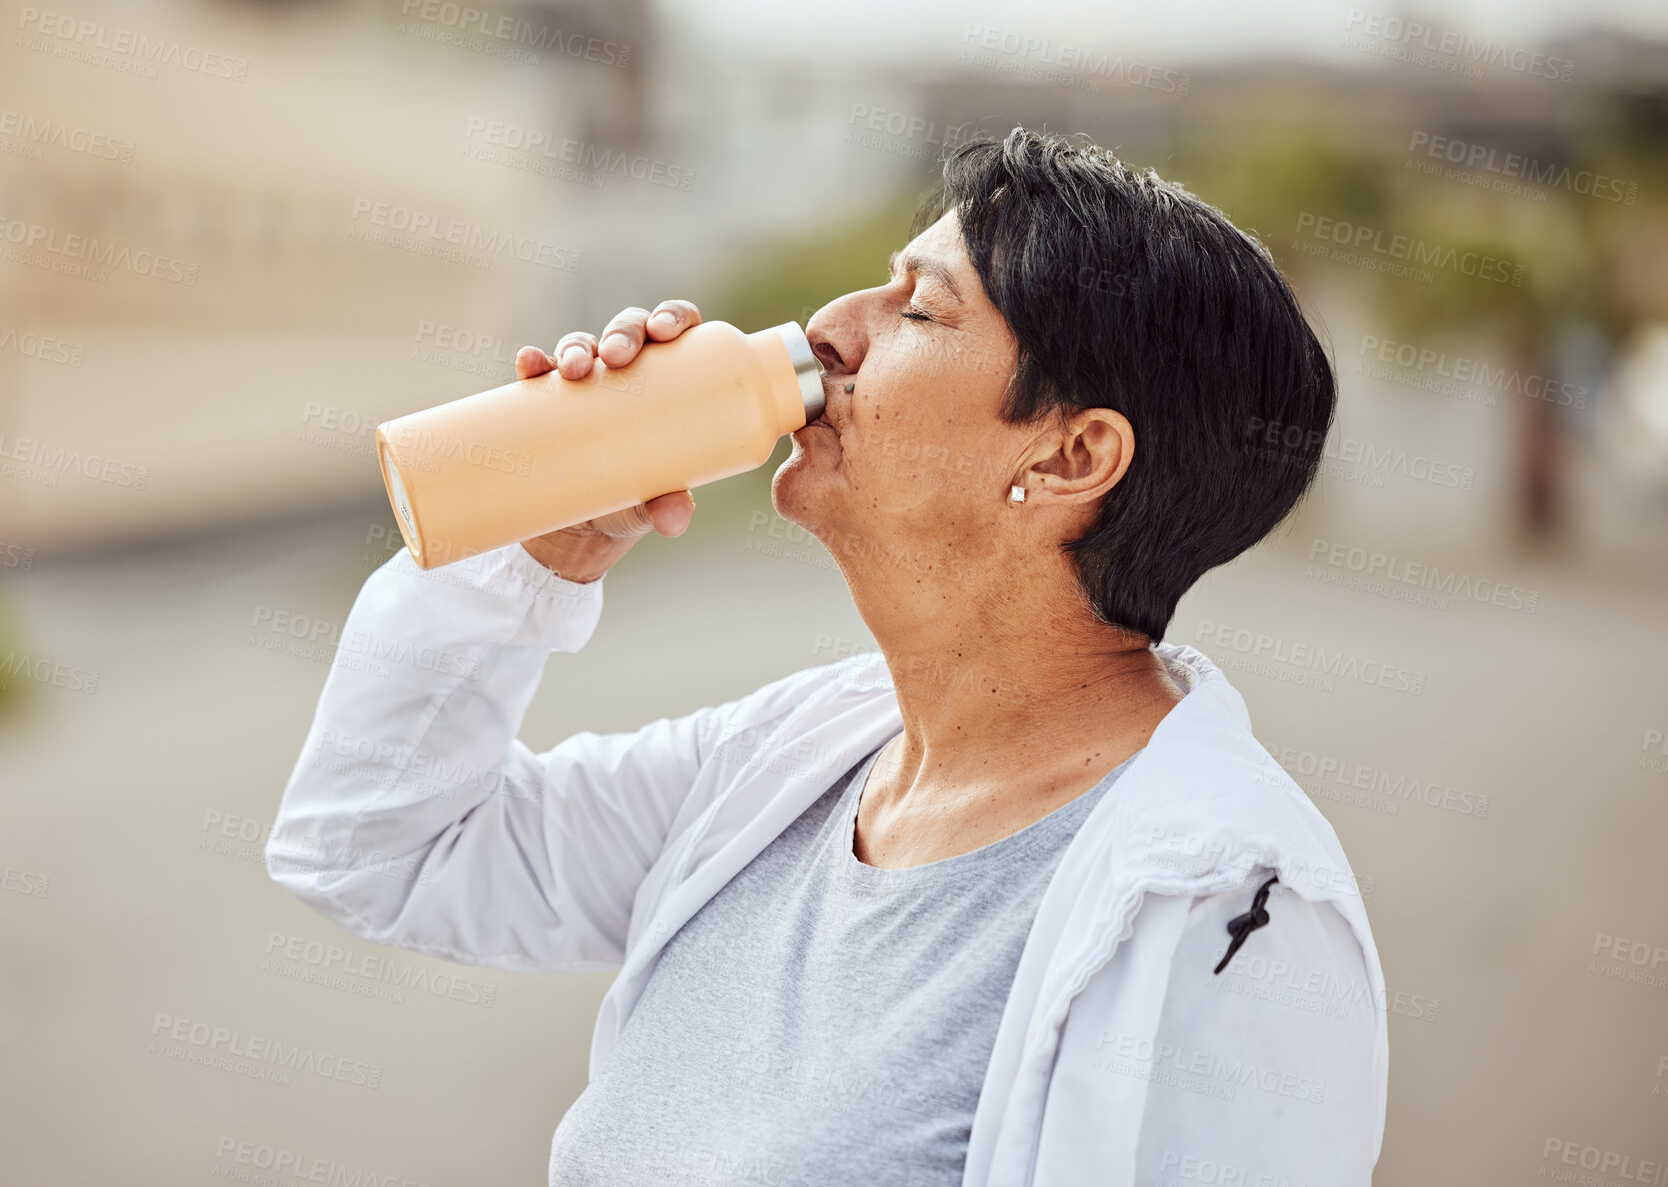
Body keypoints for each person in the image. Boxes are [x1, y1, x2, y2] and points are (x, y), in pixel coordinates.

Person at [266, 125, 1387, 1186]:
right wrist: (532, 553)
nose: (832, 327)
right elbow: (380, 849)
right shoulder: (797, 759)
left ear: (1071, 454)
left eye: (919, 311)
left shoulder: (1227, 904)